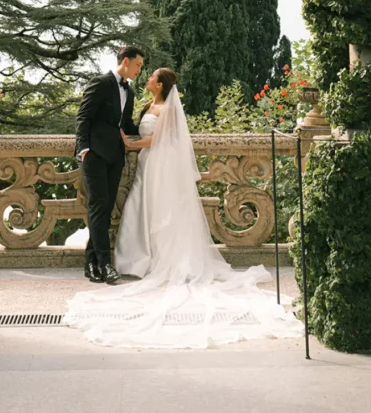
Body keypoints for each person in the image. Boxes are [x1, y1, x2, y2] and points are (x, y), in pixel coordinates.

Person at [63, 69, 304, 349]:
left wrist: (133, 143)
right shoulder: (144, 104)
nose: (146, 77)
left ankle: (152, 258)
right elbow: (124, 124)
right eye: (144, 70)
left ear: (161, 84)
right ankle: (126, 257)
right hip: (144, 164)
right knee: (137, 208)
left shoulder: (166, 108)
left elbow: (160, 138)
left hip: (159, 164)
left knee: (159, 211)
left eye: (151, 76)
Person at [74, 45, 144, 285]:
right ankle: (105, 264)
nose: (139, 70)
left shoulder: (130, 93)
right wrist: (83, 149)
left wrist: (159, 121)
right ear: (125, 61)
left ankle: (91, 263)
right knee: (97, 206)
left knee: (104, 209)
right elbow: (84, 116)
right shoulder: (101, 83)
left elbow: (125, 125)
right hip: (93, 155)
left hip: (115, 157)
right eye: (138, 65)